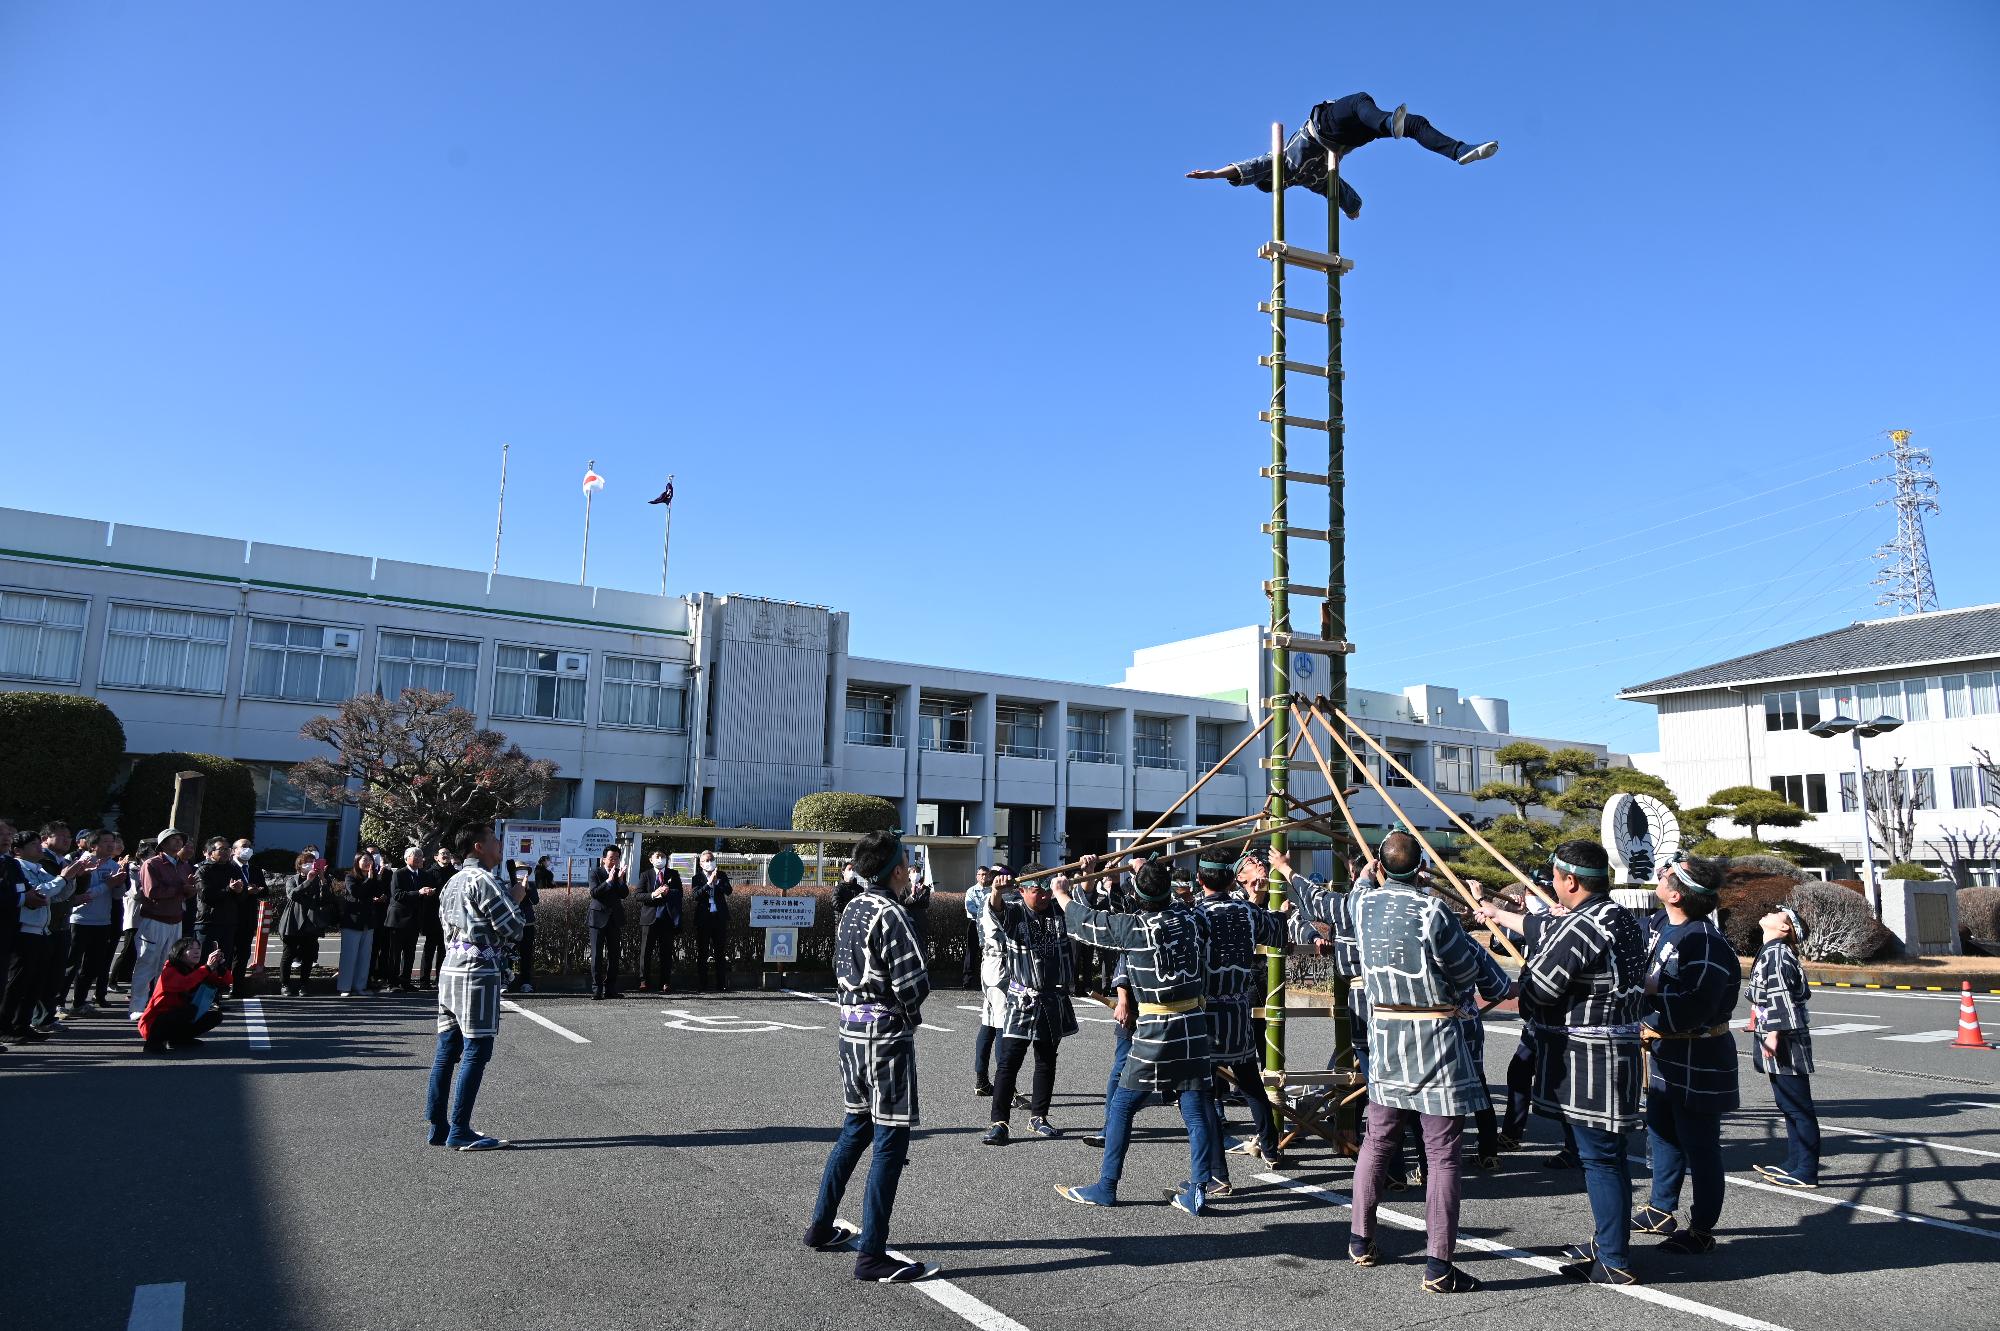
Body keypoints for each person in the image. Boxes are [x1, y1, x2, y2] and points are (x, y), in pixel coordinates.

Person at [1331, 833, 1512, 1294]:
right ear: (1423, 868)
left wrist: (1369, 875)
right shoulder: (1434, 912)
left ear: (1378, 866)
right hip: (1435, 1037)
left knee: (1378, 1141)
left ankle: (1360, 1240)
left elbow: (1358, 890)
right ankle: (1438, 1265)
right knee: (1443, 1154)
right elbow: (1471, 974)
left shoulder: (1362, 906)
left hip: (1386, 1035)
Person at [1479, 840, 1648, 1287]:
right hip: (1620, 1044)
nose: (1553, 885)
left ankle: (1614, 1258)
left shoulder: (1584, 926)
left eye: (1555, 877)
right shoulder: (1621, 918)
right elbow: (1540, 930)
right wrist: (1499, 915)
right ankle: (1609, 1241)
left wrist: (1521, 991)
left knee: (1600, 1159)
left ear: (1570, 881)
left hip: (1591, 1051)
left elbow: (1542, 989)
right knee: (1607, 1156)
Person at [803, 829, 938, 1283]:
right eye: (905, 861)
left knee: (855, 1127)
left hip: (849, 1031)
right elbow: (914, 985)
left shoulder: (851, 910)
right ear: (897, 869)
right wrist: (909, 1009)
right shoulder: (890, 914)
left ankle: (821, 1226)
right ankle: (872, 1254)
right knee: (890, 1140)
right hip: (884, 1036)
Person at [1052, 859, 1221, 1217]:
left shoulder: (1134, 928)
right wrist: (1145, 873)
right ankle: (1198, 1189)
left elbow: (1087, 924)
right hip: (1193, 1023)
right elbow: (1163, 902)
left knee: (1123, 1106)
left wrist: (1061, 894)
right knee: (1194, 1108)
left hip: (1156, 1030)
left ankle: (1106, 1187)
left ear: (1138, 894)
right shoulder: (1191, 919)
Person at [1634, 855, 1741, 1254]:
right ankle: (1661, 1209)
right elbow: (1628, 936)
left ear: (1676, 894)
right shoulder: (1663, 925)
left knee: (1701, 1145)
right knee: (1661, 1132)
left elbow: (1698, 1004)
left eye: (1666, 875)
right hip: (1666, 1049)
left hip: (1700, 1051)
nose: (1659, 875)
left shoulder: (1705, 940)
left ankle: (1702, 1229)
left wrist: (1648, 995)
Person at [1186, 93, 1498, 220]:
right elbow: (1255, 167)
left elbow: (1343, 194)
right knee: (1360, 100)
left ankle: (1461, 152)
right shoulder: (1282, 165)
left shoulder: (1315, 181)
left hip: (1349, 137)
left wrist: (1353, 209)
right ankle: (1393, 124)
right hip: (1326, 127)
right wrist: (1214, 173)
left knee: (1410, 124)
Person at [426, 821, 528, 1150]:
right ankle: (460, 1129)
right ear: (478, 847)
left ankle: (438, 1125)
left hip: (451, 969)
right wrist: (516, 898)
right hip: (477, 972)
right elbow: (513, 927)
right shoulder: (483, 880)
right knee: (477, 1050)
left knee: (446, 1052)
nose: (500, 847)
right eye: (495, 841)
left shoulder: (452, 881)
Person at [1192, 852, 1290, 1179]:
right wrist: (1282, 914)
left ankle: (1218, 1174)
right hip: (1238, 1008)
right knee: (1251, 1084)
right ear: (1234, 880)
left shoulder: (1196, 915)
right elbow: (1277, 930)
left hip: (1207, 1013)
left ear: (1200, 880)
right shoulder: (1248, 911)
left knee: (1205, 1095)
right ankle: (1271, 1148)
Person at [979, 867, 1077, 1144]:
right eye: (1037, 890)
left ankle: (1039, 1117)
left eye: (1047, 889)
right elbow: (996, 910)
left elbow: (1085, 907)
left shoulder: (1060, 910)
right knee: (1008, 1062)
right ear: (1022, 890)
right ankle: (999, 1122)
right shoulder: (1015, 912)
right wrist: (997, 891)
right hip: (1021, 999)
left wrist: (1089, 873)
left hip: (1052, 998)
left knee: (1046, 1060)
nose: (1044, 895)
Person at [1747, 904, 1818, 1189]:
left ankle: (1806, 1171)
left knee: (1798, 1106)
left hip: (1784, 1038)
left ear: (1785, 928)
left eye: (1780, 913)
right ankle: (1795, 1162)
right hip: (1780, 1033)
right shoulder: (1774, 950)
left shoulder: (1776, 952)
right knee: (1788, 1104)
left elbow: (1781, 996)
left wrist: (1773, 1033)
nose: (1772, 911)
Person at [4, 831, 72, 1042]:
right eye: (33, 845)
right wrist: (63, 878)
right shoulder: (18, 867)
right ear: (18, 851)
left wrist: (74, 877)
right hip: (25, 931)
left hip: (43, 930)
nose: (38, 847)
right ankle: (5, 1027)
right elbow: (40, 892)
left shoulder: (40, 868)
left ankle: (22, 1024)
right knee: (17, 983)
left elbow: (60, 893)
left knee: (35, 983)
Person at [128, 829, 195, 1021]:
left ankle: (161, 1004)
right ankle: (137, 1007)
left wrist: (190, 890)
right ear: (162, 844)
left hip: (175, 919)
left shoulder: (183, 865)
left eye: (179, 840)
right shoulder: (152, 863)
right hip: (154, 919)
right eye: (172, 839)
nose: (177, 843)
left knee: (168, 965)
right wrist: (181, 889)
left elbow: (186, 893)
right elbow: (152, 892)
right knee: (146, 963)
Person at [60, 831, 127, 1014]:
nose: (111, 845)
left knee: (91, 965)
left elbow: (117, 896)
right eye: (105, 842)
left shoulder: (114, 865)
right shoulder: (81, 863)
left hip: (102, 921)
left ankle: (79, 1002)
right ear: (92, 846)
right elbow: (84, 894)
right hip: (80, 920)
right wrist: (109, 884)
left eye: (112, 841)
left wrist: (119, 883)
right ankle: (58, 1003)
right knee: (71, 963)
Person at [137, 938, 231, 1052]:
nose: (197, 952)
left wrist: (220, 968)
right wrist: (207, 967)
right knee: (188, 1011)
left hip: (177, 1016)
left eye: (198, 948)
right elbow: (184, 984)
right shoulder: (169, 970)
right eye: (191, 949)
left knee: (215, 1016)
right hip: (152, 1025)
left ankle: (179, 1039)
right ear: (179, 953)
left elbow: (225, 982)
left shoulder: (196, 970)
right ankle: (152, 1043)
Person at [971, 864, 1014, 1095]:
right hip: (999, 966)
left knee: (988, 1023)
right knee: (1002, 1025)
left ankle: (981, 1080)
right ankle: (1006, 1086)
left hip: (988, 965)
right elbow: (999, 906)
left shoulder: (986, 897)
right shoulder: (994, 899)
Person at [275, 851, 331, 997]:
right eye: (307, 862)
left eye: (313, 862)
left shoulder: (320, 879)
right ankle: (284, 984)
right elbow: (292, 895)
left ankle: (304, 985)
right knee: (288, 954)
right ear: (300, 866)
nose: (310, 865)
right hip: (293, 920)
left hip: (311, 922)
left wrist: (322, 879)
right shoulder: (292, 879)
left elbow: (325, 899)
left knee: (308, 956)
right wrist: (308, 881)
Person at [334, 855, 385, 997]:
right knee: (349, 956)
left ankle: (360, 986)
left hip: (368, 922)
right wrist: (369, 879)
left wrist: (377, 879)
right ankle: (345, 987)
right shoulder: (350, 877)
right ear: (357, 862)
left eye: (370, 860)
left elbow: (378, 892)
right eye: (364, 860)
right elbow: (356, 893)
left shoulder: (372, 877)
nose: (368, 862)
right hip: (352, 921)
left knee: (364, 956)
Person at [224, 838, 268, 996]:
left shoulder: (255, 869)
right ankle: (223, 985)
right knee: (227, 953)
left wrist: (257, 890)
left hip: (248, 917)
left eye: (250, 846)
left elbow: (265, 891)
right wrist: (244, 891)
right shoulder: (228, 867)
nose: (247, 849)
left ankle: (237, 987)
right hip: (230, 916)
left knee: (243, 954)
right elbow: (226, 891)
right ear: (234, 850)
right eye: (244, 846)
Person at [586, 846, 630, 1000]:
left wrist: (620, 881)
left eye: (617, 858)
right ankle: (596, 989)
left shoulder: (619, 873)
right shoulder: (595, 872)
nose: (614, 861)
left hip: (615, 918)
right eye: (611, 858)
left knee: (614, 955)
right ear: (603, 858)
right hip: (598, 918)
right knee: (597, 955)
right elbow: (594, 893)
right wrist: (609, 881)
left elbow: (624, 894)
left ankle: (610, 988)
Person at [384, 847, 429, 992]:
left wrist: (428, 892)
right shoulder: (399, 873)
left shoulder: (422, 874)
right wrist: (419, 892)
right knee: (395, 953)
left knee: (410, 953)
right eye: (414, 856)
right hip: (398, 919)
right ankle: (392, 982)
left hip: (414, 920)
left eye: (420, 856)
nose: (418, 859)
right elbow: (397, 895)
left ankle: (405, 980)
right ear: (406, 858)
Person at [638, 847, 683, 992]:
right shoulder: (645, 875)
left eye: (662, 856)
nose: (660, 859)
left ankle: (665, 982)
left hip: (667, 918)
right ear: (651, 860)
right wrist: (653, 894)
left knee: (666, 951)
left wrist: (668, 892)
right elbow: (638, 895)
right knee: (646, 951)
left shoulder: (673, 874)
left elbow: (679, 893)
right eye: (657, 857)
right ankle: (644, 980)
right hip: (649, 918)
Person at [691, 849, 733, 990]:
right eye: (706, 860)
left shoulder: (721, 875)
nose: (709, 862)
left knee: (720, 952)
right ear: (701, 863)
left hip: (719, 918)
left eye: (711, 859)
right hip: (704, 919)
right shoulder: (697, 878)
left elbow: (729, 891)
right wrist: (708, 884)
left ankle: (721, 984)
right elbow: (695, 895)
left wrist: (718, 882)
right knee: (702, 952)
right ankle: (703, 984)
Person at [959, 865, 992, 989]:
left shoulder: (992, 891)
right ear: (977, 876)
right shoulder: (971, 891)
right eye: (981, 874)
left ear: (989, 876)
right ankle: (967, 981)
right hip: (974, 924)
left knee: (989, 951)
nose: (983, 877)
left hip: (989, 925)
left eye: (985, 874)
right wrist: (986, 913)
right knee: (971, 952)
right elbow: (970, 908)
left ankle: (986, 979)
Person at [510, 861, 540, 993]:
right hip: (513, 924)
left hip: (528, 924)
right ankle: (506, 981)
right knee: (509, 953)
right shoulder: (509, 884)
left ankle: (526, 982)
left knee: (526, 954)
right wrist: (519, 888)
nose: (522, 872)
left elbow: (535, 901)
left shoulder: (532, 885)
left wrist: (527, 888)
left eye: (524, 870)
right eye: (519, 870)